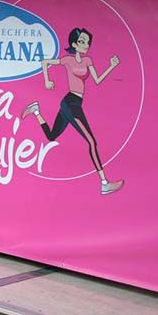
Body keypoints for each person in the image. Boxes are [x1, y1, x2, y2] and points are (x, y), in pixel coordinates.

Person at [19, 27, 123, 195]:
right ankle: (104, 183)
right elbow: (45, 63)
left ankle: (36, 111)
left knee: (51, 136)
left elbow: (97, 80)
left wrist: (111, 66)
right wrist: (47, 80)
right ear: (74, 44)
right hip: (70, 103)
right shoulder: (68, 60)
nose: (86, 45)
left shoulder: (88, 61)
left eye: (87, 42)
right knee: (91, 142)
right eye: (82, 42)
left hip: (75, 103)